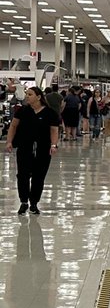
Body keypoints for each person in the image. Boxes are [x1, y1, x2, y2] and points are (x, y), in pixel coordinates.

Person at [6, 86, 61, 214]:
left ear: (38, 97)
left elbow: (54, 130)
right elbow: (13, 126)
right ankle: (24, 201)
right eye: (27, 94)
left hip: (42, 149)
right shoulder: (22, 111)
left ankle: (34, 203)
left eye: (30, 94)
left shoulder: (50, 113)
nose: (27, 96)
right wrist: (9, 141)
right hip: (24, 147)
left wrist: (54, 145)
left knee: (38, 176)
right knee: (22, 175)